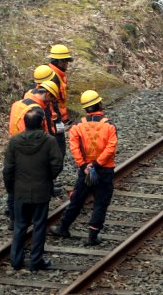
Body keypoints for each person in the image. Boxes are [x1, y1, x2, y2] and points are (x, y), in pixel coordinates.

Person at [49, 90, 117, 246]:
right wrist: (97, 163)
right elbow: (111, 147)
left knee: (77, 199)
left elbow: (74, 148)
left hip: (85, 170)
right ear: (99, 104)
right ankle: (93, 235)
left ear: (85, 108)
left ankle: (64, 228)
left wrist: (84, 165)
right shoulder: (109, 126)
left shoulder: (78, 126)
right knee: (101, 202)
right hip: (104, 169)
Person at [3, 107, 63, 271]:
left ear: (24, 123)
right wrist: (47, 177)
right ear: (42, 122)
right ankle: (36, 260)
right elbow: (57, 164)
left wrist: (11, 189)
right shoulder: (49, 140)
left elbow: (8, 168)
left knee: (20, 225)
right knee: (39, 225)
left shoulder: (14, 141)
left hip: (20, 191)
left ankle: (16, 260)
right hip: (41, 191)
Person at [6, 80, 60, 227]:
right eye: (51, 99)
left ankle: (13, 218)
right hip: (28, 149)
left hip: (14, 145)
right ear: (47, 94)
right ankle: (23, 218)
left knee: (14, 183)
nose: (51, 103)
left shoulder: (18, 103)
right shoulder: (36, 110)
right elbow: (41, 133)